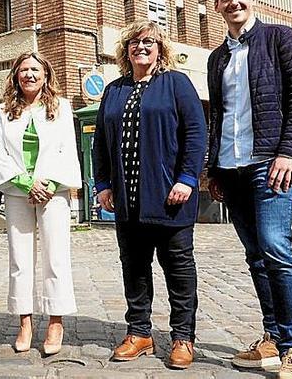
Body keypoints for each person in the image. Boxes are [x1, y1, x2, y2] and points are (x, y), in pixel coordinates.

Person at [208, 0, 292, 379]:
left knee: (276, 248)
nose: (233, 3)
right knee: (256, 256)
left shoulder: (279, 39)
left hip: (270, 164)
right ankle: (271, 337)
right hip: (231, 169)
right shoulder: (218, 57)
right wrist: (213, 170)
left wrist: (290, 151)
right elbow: (218, 115)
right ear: (217, 5)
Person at [93, 19, 207, 369]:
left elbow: (196, 132)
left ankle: (182, 338)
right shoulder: (114, 90)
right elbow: (100, 143)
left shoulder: (176, 83)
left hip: (170, 197)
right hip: (127, 200)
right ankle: (139, 332)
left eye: (149, 43)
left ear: (160, 50)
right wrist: (103, 185)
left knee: (178, 267)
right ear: (125, 50)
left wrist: (187, 177)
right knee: (135, 267)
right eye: (135, 43)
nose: (141, 47)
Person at [0, 51, 81, 356]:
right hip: (18, 192)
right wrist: (26, 183)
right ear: (16, 75)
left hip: (53, 192)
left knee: (55, 256)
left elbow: (67, 150)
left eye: (35, 70)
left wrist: (50, 184)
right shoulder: (4, 111)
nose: (29, 75)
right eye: (23, 70)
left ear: (46, 75)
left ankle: (55, 321)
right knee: (20, 257)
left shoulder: (62, 108)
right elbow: (1, 155)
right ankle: (25, 321)